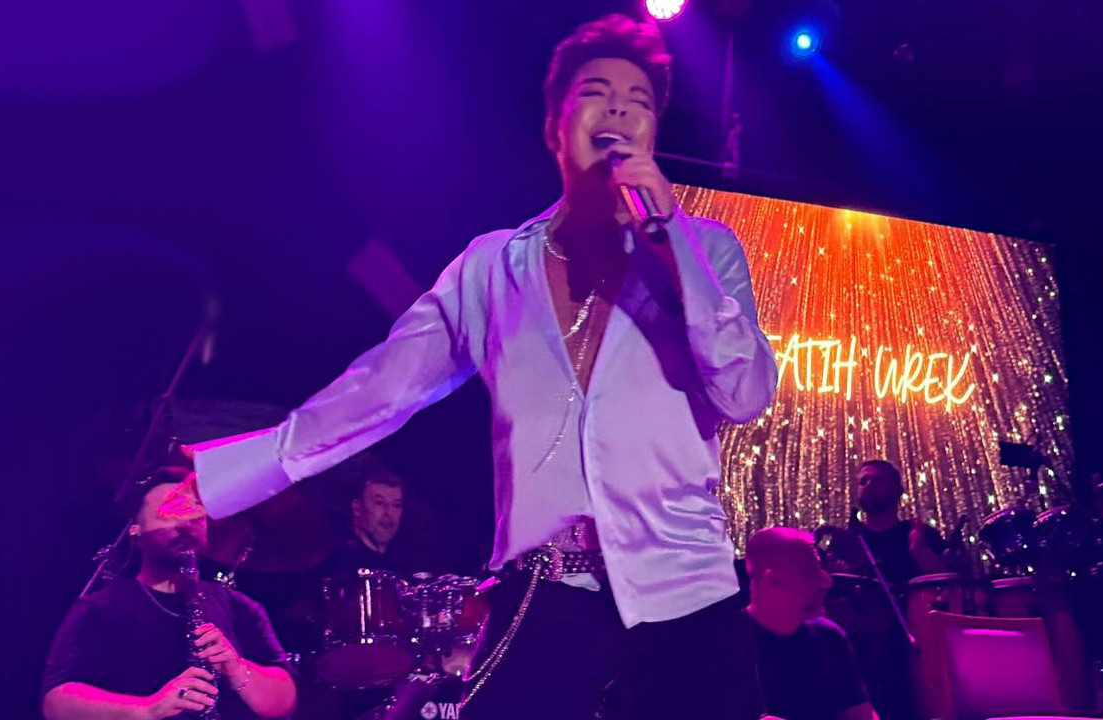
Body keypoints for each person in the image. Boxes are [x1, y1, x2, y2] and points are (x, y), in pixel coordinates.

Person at [189, 13, 777, 720]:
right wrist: (227, 476)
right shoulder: (492, 268)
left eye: (639, 101)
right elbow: (383, 387)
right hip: (545, 592)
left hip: (686, 589)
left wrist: (670, 243)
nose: (620, 110)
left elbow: (744, 393)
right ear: (555, 126)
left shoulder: (707, 251)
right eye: (597, 93)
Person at [42, 467, 297, 720]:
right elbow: (56, 705)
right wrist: (148, 709)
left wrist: (237, 668)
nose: (185, 524)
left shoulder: (241, 607)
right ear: (136, 528)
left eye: (195, 515)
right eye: (169, 513)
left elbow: (285, 702)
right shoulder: (99, 608)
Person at [746, 528, 878, 720]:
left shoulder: (829, 636)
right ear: (772, 579)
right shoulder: (725, 645)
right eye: (810, 571)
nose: (826, 582)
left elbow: (860, 713)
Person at [848, 459, 947, 589]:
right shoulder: (848, 539)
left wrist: (920, 551)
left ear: (898, 490)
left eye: (877, 480)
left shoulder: (921, 534)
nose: (869, 485)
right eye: (863, 481)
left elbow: (948, 585)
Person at [324, 470, 407, 575]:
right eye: (380, 503)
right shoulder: (340, 564)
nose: (389, 513)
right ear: (357, 508)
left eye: (396, 505)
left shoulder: (405, 561)